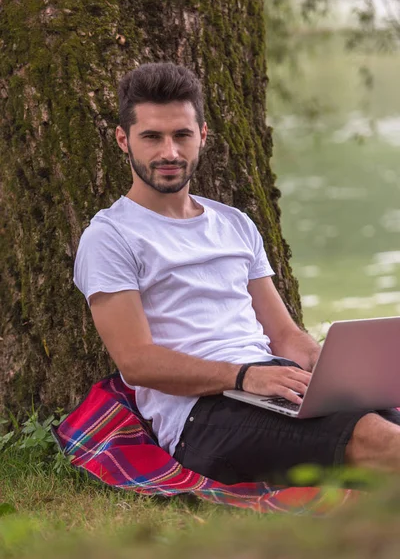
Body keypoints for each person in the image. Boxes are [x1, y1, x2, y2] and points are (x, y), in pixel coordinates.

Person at [74, 62, 400, 484]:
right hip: (201, 416)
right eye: (152, 137)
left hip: (274, 386)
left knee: (385, 420)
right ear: (124, 140)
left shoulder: (235, 224)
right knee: (382, 441)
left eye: (182, 135)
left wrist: (331, 370)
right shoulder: (110, 235)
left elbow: (284, 336)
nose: (169, 152)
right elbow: (137, 363)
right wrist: (246, 376)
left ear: (202, 136)